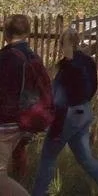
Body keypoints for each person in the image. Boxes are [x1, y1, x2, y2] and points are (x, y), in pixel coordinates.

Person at [31, 28, 98, 196]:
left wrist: (54, 124)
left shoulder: (67, 66)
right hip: (84, 112)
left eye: (61, 43)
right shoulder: (88, 61)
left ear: (63, 43)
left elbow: (59, 98)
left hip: (66, 116)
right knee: (85, 158)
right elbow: (93, 87)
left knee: (48, 157)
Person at [0, 14, 42, 196]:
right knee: (17, 162)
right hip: (25, 120)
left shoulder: (6, 58)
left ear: (5, 35)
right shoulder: (33, 57)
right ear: (27, 34)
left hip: (6, 122)